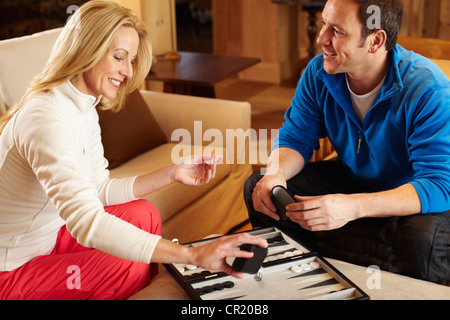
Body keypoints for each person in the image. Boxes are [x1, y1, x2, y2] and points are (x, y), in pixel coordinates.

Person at [0, 1, 267, 300]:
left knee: (143, 214)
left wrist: (171, 173)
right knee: (125, 261)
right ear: (86, 49)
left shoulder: (82, 103)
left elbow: (98, 187)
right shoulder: (47, 118)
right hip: (9, 270)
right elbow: (86, 221)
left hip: (47, 238)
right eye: (119, 57)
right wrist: (190, 255)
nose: (128, 71)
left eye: (131, 60)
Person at [244, 0, 449, 285]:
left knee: (423, 239)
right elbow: (295, 137)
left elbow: (438, 184)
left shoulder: (428, 89)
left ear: (376, 40)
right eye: (325, 24)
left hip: (412, 192)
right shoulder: (318, 73)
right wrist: (275, 173)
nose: (321, 38)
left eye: (337, 31)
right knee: (260, 186)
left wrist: (352, 207)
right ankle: (295, 279)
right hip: (356, 177)